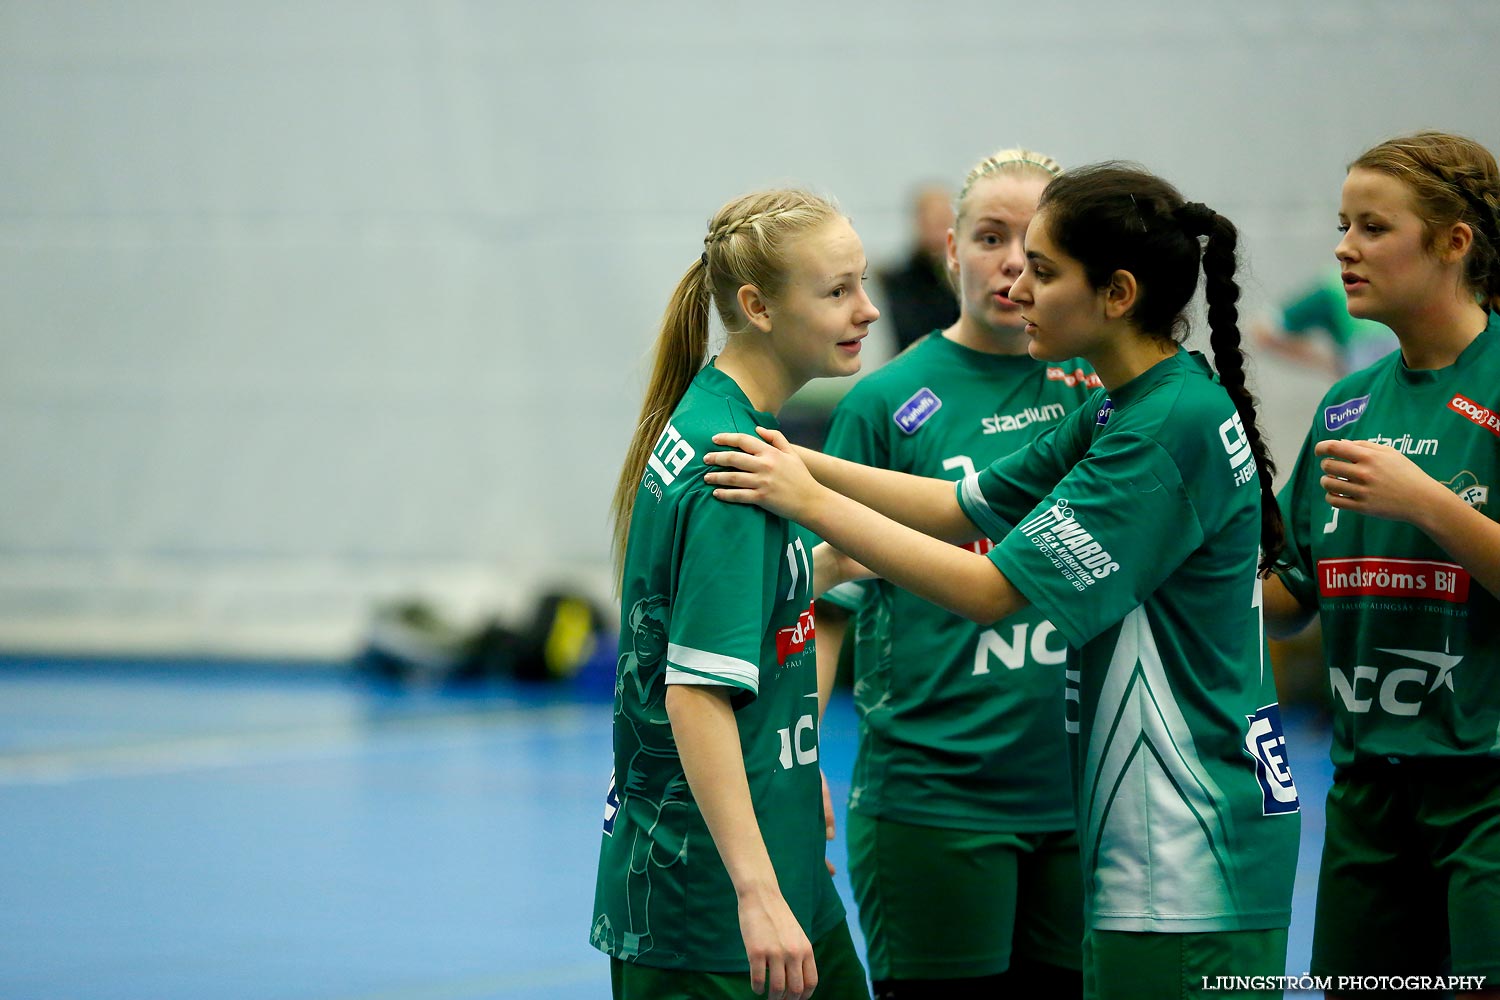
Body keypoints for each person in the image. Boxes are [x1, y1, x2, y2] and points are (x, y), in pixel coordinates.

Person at [704, 164, 1301, 999]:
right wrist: (798, 460)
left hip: (1187, 839)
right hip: (1146, 830)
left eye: (1045, 269)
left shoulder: (1161, 429)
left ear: (1118, 293)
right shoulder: (1126, 406)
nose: (1019, 281)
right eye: (1000, 248)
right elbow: (960, 506)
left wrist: (809, 501)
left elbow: (988, 590)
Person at [814, 148, 1091, 998]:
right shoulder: (886, 404)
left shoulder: (1106, 390)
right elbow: (829, 603)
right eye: (989, 237)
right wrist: (802, 759)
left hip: (1085, 791)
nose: (1012, 264)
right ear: (949, 252)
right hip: (935, 792)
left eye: (1035, 244)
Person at [589, 188, 877, 1000]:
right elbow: (694, 699)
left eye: (861, 281)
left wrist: (830, 566)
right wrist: (755, 891)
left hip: (784, 862)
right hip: (712, 905)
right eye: (838, 291)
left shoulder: (738, 427)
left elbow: (739, 605)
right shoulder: (732, 467)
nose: (869, 309)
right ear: (756, 306)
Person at [1263, 131, 1500, 998]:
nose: (1342, 248)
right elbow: (1292, 596)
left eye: (1371, 227)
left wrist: (1428, 501)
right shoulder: (1347, 403)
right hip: (1366, 791)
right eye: (1341, 224)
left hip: (1487, 790)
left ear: (1453, 242)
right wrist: (1184, 573)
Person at [1251, 268, 1398, 378]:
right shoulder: (1336, 289)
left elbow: (1264, 332)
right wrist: (1330, 362)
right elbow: (1264, 331)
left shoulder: (1336, 288)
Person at [877, 183, 961, 354]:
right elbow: (909, 333)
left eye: (944, 222)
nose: (939, 231)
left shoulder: (963, 278)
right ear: (919, 222)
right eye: (933, 222)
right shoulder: (895, 280)